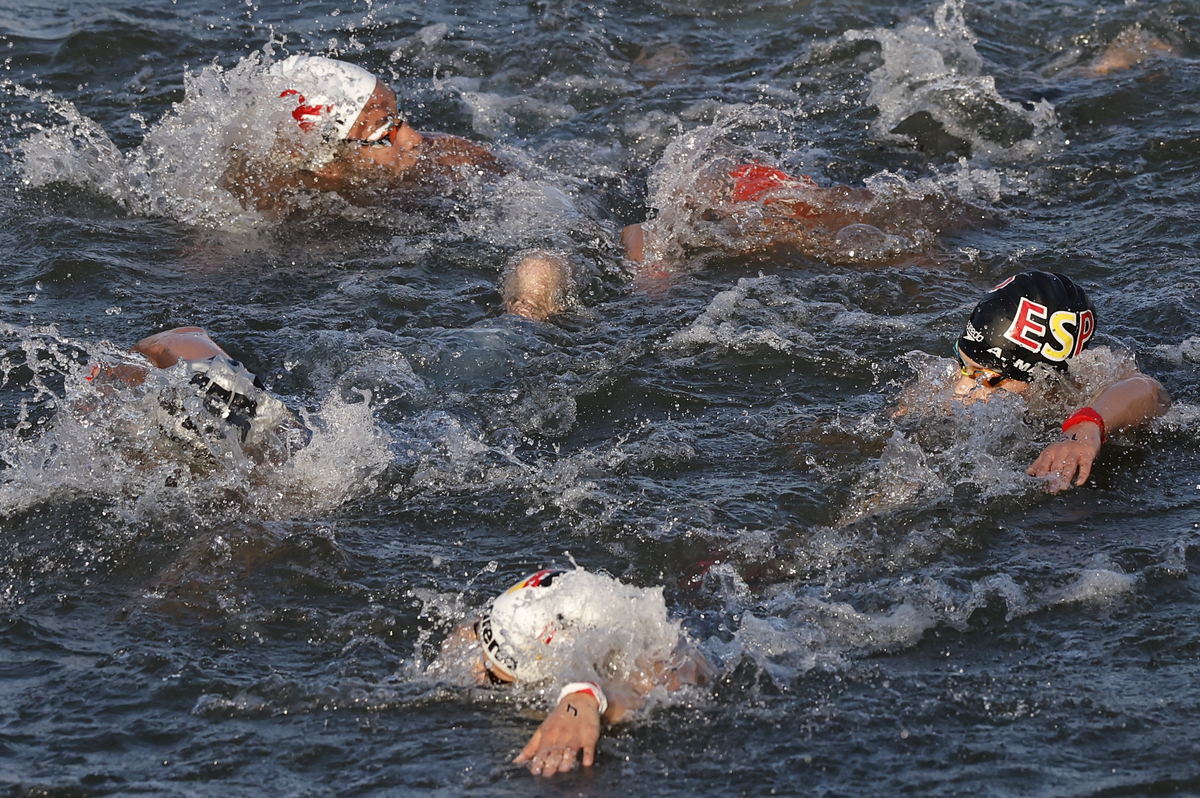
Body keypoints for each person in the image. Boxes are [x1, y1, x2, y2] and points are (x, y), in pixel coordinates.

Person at [429, 567, 714, 778]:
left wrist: (583, 698)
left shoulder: (654, 651)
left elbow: (674, 675)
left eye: (495, 681)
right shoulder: (478, 635)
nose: (476, 673)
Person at [948, 271, 1170, 493]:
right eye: (962, 363)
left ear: (1044, 377)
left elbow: (1149, 390)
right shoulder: (949, 383)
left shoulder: (1083, 388)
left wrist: (1086, 426)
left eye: (989, 377)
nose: (961, 388)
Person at [220, 55, 505, 216]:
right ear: (326, 164)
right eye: (385, 128)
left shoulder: (443, 157)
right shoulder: (256, 216)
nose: (414, 138)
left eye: (399, 113)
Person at [619, 155, 987, 270]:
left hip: (793, 207)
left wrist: (650, 279)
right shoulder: (757, 208)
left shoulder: (764, 212)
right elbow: (640, 233)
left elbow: (640, 234)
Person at [88, 326, 310, 466]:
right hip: (233, 376)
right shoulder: (189, 335)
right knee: (283, 440)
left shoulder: (127, 361)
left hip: (196, 384)